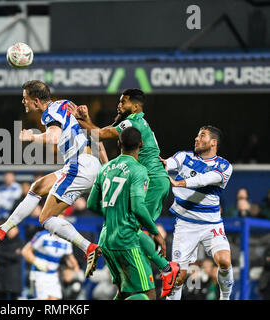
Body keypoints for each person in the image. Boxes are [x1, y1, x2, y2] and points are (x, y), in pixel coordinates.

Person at [0, 80, 105, 278]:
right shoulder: (63, 104)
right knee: (38, 187)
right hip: (85, 163)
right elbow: (82, 127)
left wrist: (31, 137)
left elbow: (54, 137)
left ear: (36, 101)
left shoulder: (49, 114)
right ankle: (1, 231)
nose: (23, 102)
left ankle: (88, 247)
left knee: (45, 219)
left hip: (79, 165)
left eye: (25, 98)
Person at [71, 88, 178, 295]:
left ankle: (166, 269)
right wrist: (85, 119)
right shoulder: (132, 123)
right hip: (150, 179)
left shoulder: (133, 122)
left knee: (130, 226)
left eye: (124, 102)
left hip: (153, 181)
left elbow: (99, 134)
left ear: (136, 106)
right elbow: (99, 133)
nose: (119, 105)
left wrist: (72, 120)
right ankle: (162, 268)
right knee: (129, 226)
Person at [86, 127, 170, 300]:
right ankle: (167, 268)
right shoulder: (138, 170)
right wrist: (155, 232)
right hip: (126, 241)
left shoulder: (105, 168)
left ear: (119, 144)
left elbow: (91, 204)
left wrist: (113, 211)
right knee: (148, 296)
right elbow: (138, 207)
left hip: (106, 239)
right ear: (141, 144)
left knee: (125, 293)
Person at [161, 125, 234, 300]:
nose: (197, 138)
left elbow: (204, 179)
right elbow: (169, 163)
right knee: (178, 276)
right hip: (186, 224)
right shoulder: (183, 156)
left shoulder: (224, 166)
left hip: (211, 224)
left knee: (224, 261)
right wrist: (161, 164)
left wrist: (179, 183)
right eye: (197, 135)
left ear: (213, 143)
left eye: (202, 136)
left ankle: (225, 297)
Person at [21, 215, 80, 300]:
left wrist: (75, 271)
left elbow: (70, 258)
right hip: (39, 274)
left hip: (53, 275)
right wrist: (37, 263)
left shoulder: (66, 241)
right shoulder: (42, 236)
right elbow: (25, 251)